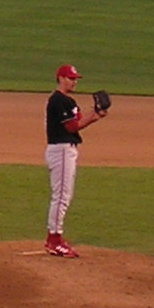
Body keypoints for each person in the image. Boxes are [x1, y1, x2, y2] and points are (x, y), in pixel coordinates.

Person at [44, 63, 107, 257]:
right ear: (61, 78)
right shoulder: (58, 100)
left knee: (64, 195)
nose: (74, 82)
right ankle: (54, 240)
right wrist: (94, 116)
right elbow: (72, 127)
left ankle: (56, 237)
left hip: (66, 150)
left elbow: (78, 122)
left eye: (75, 79)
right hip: (61, 150)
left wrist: (96, 115)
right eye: (71, 78)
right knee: (61, 196)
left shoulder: (68, 101)